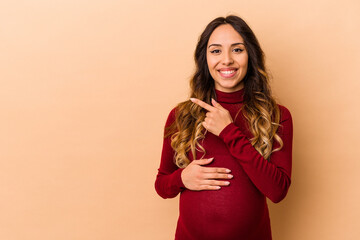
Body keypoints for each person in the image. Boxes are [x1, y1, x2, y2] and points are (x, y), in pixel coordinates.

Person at [154, 15, 293, 240]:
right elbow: (162, 184)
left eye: (237, 50)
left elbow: (277, 191)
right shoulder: (181, 115)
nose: (226, 60)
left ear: (250, 55)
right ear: (205, 59)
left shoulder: (277, 116)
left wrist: (229, 132)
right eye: (216, 51)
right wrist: (182, 178)